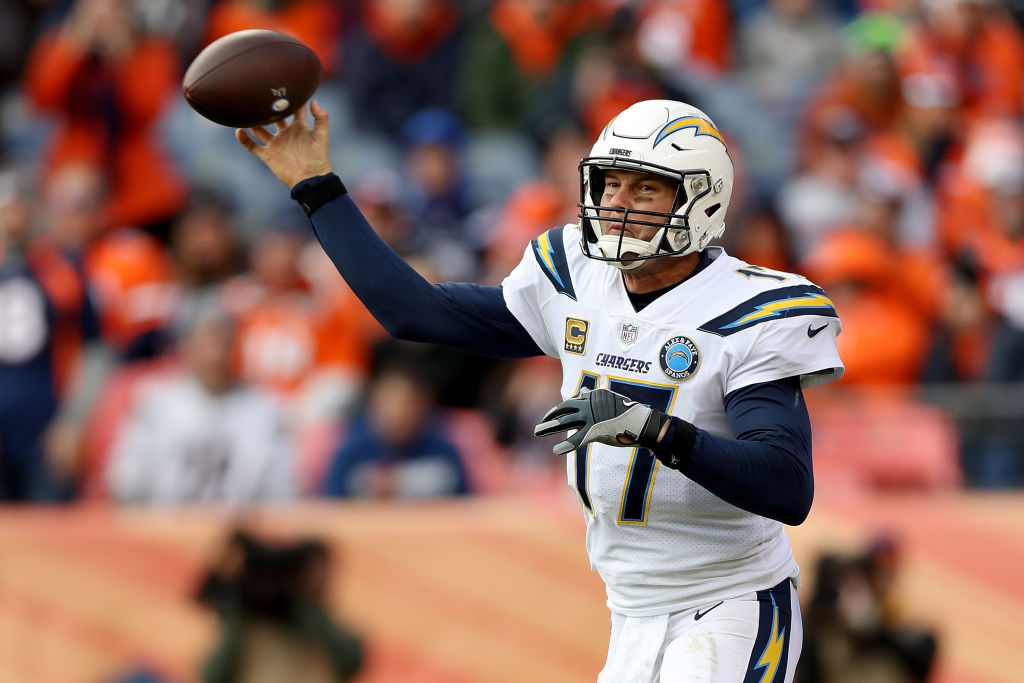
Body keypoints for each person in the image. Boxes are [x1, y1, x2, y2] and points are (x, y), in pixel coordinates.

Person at [236, 98, 844, 682]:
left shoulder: (751, 309)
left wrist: (652, 428)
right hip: (631, 608)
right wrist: (317, 187)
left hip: (730, 600)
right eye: (608, 183)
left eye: (644, 188)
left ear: (701, 200)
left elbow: (786, 485)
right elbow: (412, 312)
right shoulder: (572, 276)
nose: (616, 203)